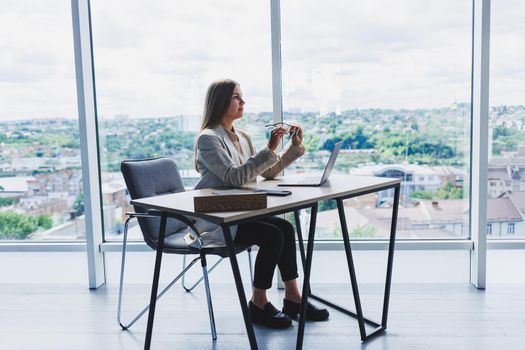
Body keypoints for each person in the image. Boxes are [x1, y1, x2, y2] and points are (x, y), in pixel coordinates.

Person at [194, 79, 329, 329]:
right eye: (236, 97)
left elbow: (265, 173)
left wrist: (292, 147)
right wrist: (268, 148)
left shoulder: (242, 136)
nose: (243, 102)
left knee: (285, 229)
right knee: (271, 235)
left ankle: (293, 298)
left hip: (240, 208)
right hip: (216, 215)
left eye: (241, 96)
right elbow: (235, 177)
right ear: (221, 101)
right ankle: (258, 303)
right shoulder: (208, 139)